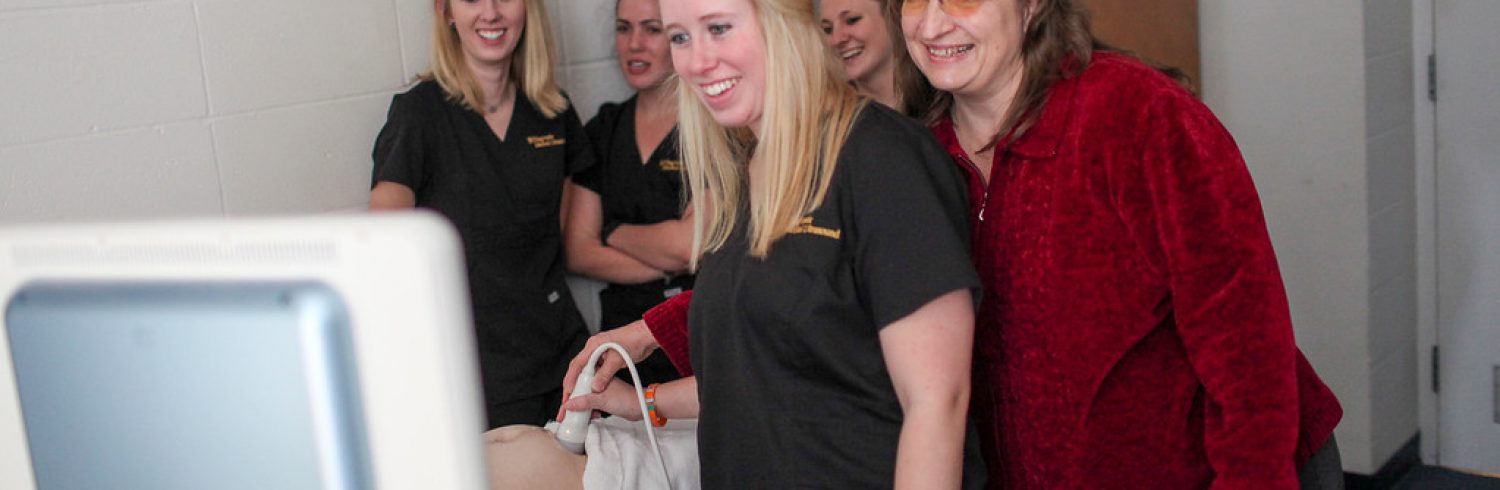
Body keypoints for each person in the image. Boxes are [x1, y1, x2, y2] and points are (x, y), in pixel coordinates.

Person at [572, 0, 1346, 488]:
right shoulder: (921, 149)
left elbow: (1249, 352)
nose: (935, 23)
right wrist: (654, 333)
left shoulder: (1138, 118)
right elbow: (832, 285)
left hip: (1228, 467)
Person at [561, 0, 987, 487]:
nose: (697, 61)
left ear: (788, 24)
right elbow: (771, 374)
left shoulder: (883, 158)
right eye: (680, 36)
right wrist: (643, 402)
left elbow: (936, 403)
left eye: (719, 28)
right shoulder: (747, 174)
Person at [369, 0, 594, 429]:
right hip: (474, 371)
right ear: (446, 11)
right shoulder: (419, 114)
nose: (490, 12)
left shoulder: (554, 112)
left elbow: (559, 240)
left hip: (562, 360)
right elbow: (384, 253)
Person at [564, 0, 693, 386]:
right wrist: (670, 261)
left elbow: (688, 246)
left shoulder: (711, 128)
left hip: (692, 337)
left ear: (680, 36)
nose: (635, 43)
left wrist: (612, 231)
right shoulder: (604, 129)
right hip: (620, 350)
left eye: (652, 29)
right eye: (624, 28)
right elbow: (577, 250)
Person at [817, 0, 932, 115]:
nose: (837, 39)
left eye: (852, 20)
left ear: (890, 17)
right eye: (827, 29)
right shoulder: (825, 116)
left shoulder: (938, 97)